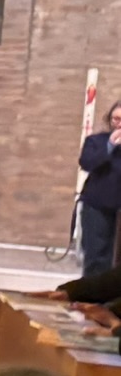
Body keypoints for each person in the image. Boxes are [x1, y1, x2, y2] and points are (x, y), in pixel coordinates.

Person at [79, 101, 121, 274]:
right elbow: (87, 162)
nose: (119, 124)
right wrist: (110, 147)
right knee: (96, 257)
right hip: (97, 207)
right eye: (116, 119)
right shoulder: (96, 141)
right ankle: (90, 297)